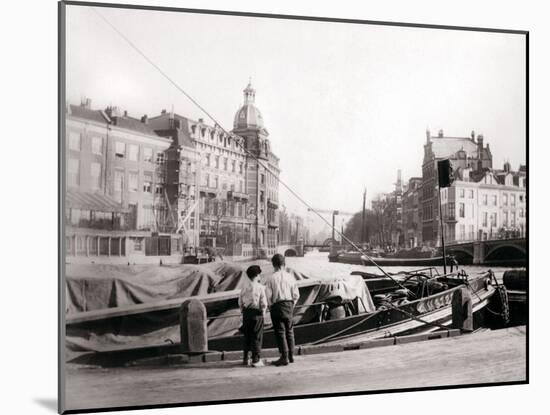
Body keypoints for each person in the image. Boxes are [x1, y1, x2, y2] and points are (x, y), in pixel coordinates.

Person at [265, 254, 300, 366]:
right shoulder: (291, 277)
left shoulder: (271, 278)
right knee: (290, 331)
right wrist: (291, 305)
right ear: (284, 264)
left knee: (280, 332)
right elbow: (296, 295)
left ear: (273, 265)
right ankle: (291, 355)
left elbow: (268, 296)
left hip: (277, 306)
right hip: (289, 305)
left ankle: (284, 357)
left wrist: (271, 306)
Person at [239, 265, 267, 367]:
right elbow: (263, 303)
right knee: (257, 336)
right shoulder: (260, 287)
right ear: (257, 275)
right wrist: (263, 313)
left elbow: (240, 302)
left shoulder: (244, 287)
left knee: (247, 336)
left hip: (246, 314)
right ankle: (256, 359)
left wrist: (243, 311)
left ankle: (245, 358)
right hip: (257, 314)